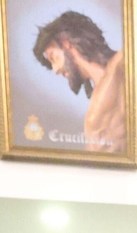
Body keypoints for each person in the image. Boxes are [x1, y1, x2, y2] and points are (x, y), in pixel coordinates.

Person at [33, 11, 128, 154]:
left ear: (66, 43)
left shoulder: (123, 61)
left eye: (53, 58)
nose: (55, 70)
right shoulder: (96, 102)